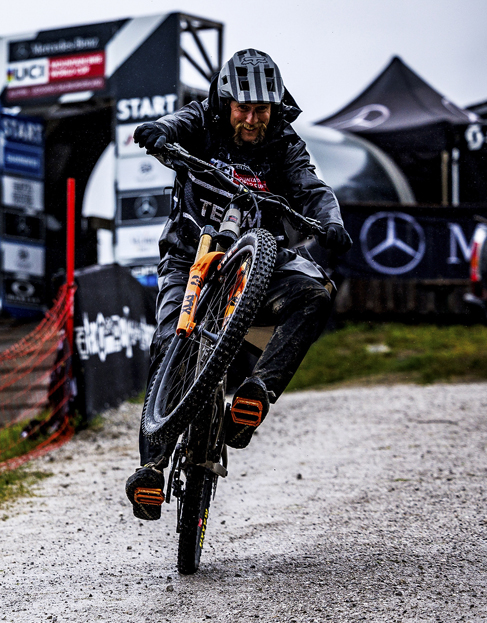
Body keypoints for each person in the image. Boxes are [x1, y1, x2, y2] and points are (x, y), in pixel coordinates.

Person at [124, 49, 353, 521]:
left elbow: (312, 188)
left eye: (262, 110)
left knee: (314, 292)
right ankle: (151, 466)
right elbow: (172, 126)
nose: (252, 120)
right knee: (170, 340)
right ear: (226, 102)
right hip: (190, 254)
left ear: (275, 106)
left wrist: (330, 220)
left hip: (257, 260)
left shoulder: (285, 142)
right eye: (243, 109)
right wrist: (158, 134)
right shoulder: (202, 119)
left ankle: (256, 394)